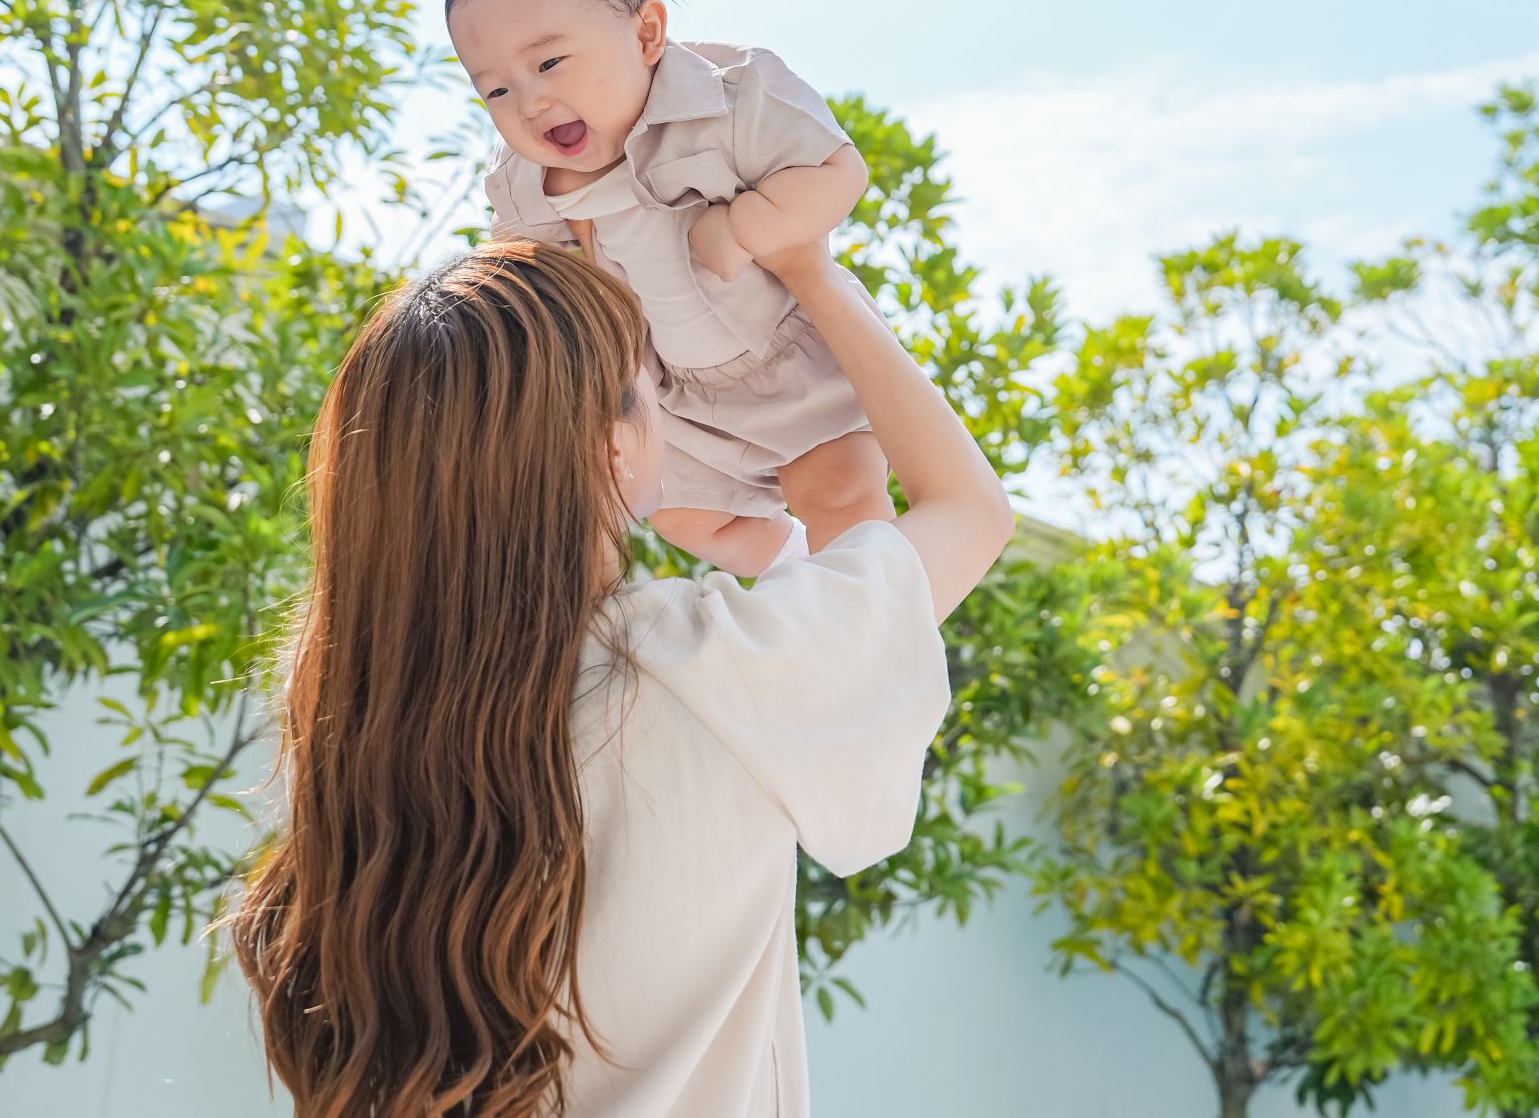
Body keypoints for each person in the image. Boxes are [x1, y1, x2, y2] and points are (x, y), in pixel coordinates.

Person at [222, 232, 1016, 1117]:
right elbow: (968, 510)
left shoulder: (356, 718)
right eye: (655, 385)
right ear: (611, 449)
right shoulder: (709, 669)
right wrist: (808, 270)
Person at [448, 0, 891, 579]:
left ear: (647, 34)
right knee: (681, 515)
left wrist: (750, 225)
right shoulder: (528, 181)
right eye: (496, 91)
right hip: (673, 399)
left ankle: (876, 616)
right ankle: (790, 570)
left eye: (549, 63)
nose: (529, 102)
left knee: (839, 489)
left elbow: (838, 168)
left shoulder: (730, 97)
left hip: (788, 359)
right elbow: (525, 266)